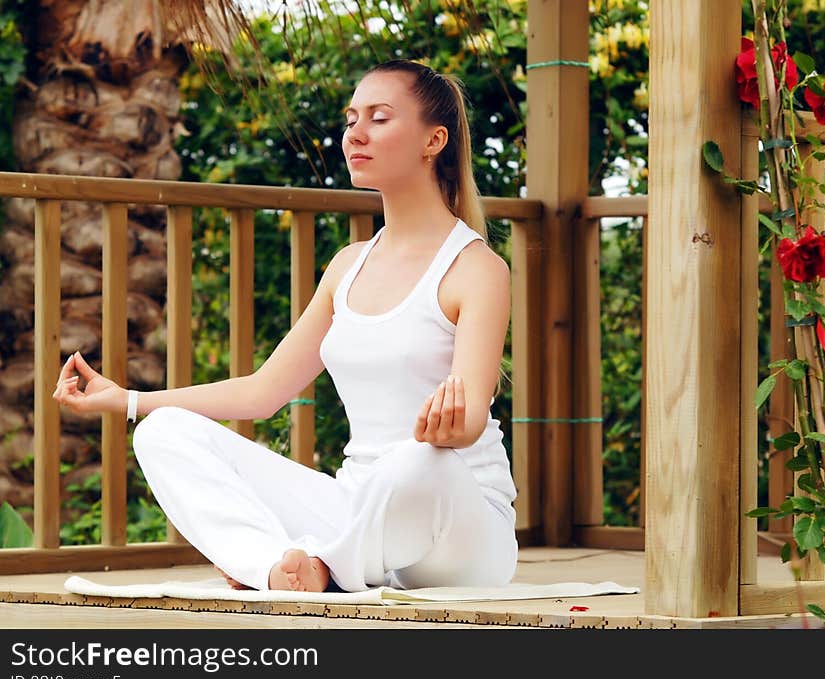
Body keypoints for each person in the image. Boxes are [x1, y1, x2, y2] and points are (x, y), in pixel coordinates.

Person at [52, 59, 518, 593]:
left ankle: (324, 567)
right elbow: (262, 392)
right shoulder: (348, 266)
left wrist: (445, 428)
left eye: (379, 118)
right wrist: (128, 401)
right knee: (164, 432)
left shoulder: (476, 267)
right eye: (350, 120)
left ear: (433, 140)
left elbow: (468, 422)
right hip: (358, 511)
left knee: (418, 463)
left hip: (458, 526)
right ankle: (280, 568)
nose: (355, 134)